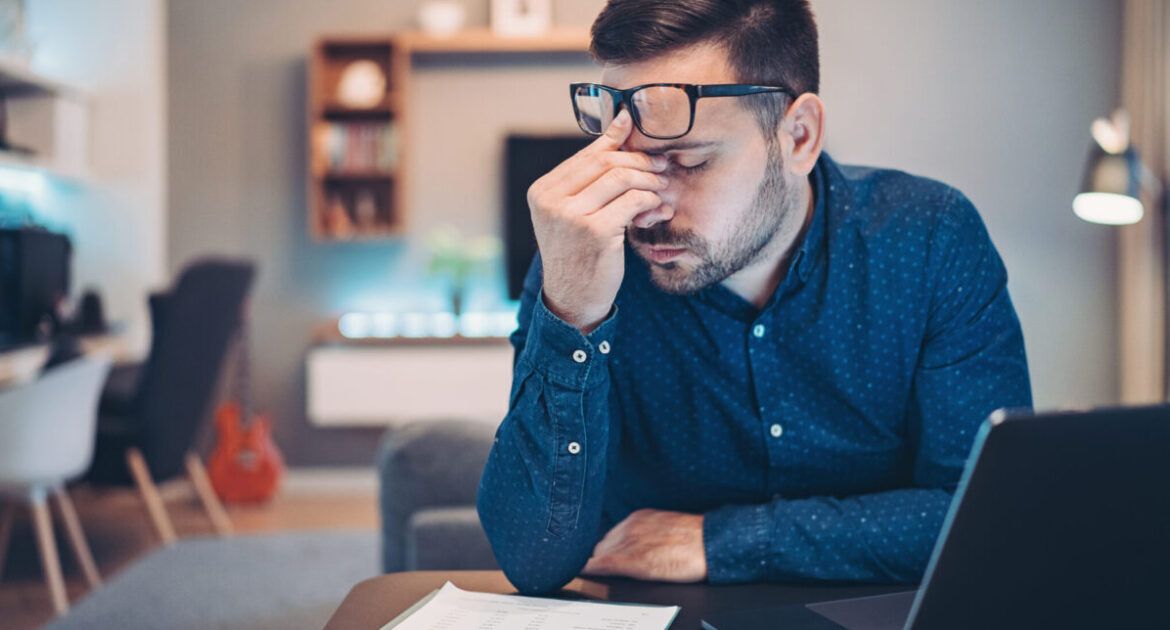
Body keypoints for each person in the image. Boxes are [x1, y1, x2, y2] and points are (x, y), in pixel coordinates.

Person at [476, 0, 1032, 595]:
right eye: (626, 162)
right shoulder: (581, 258)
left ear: (799, 136)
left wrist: (723, 541)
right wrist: (572, 316)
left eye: (687, 161)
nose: (645, 206)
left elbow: (985, 516)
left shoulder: (929, 240)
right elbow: (533, 559)